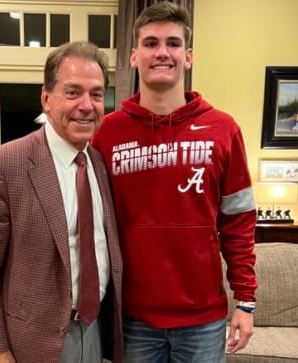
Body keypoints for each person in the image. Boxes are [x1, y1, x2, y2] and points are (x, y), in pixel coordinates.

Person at [91, 2, 258, 362]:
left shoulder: (223, 130)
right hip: (133, 318)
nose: (162, 52)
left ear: (188, 56)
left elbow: (239, 223)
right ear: (134, 56)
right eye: (150, 43)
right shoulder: (107, 132)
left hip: (203, 318)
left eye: (172, 43)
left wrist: (245, 301)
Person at [0, 41, 123, 363]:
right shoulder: (2, 165)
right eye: (73, 92)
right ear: (46, 99)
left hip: (93, 331)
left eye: (96, 93)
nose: (87, 105)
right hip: (29, 343)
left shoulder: (99, 164)